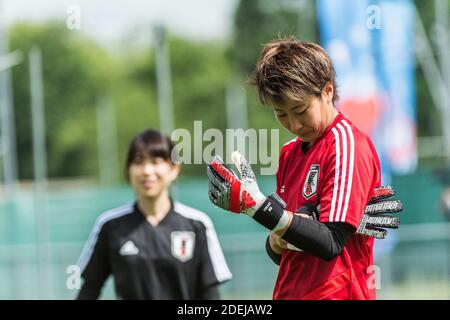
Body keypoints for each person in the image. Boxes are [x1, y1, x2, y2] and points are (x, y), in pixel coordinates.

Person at [207, 37, 401, 300]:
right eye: (281, 113)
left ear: (328, 91)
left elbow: (330, 242)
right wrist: (279, 235)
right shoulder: (289, 153)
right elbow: (285, 249)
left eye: (301, 110)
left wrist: (258, 207)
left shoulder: (345, 145)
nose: (295, 124)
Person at [76, 129, 232, 299]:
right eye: (138, 161)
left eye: (156, 161)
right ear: (128, 170)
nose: (147, 171)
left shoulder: (197, 224)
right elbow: (90, 289)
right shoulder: (109, 225)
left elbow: (209, 293)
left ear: (174, 168)